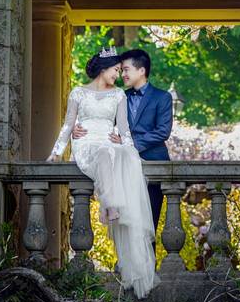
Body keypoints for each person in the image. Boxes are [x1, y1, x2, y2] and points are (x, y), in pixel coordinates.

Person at [46, 48, 159, 299]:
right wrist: (56, 153)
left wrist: (129, 148)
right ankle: (109, 205)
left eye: (121, 71)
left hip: (108, 144)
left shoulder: (119, 95)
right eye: (116, 70)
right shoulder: (78, 92)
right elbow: (67, 125)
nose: (118, 76)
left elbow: (124, 128)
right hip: (85, 146)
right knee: (103, 154)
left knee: (116, 153)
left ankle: (109, 205)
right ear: (103, 68)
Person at [73, 48, 173, 238]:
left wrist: (130, 143)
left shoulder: (163, 97)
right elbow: (101, 123)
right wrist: (79, 129)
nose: (122, 74)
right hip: (122, 169)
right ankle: (124, 266)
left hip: (153, 165)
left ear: (141, 70)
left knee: (148, 226)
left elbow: (162, 132)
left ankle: (147, 268)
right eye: (121, 70)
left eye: (126, 69)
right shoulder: (119, 96)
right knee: (126, 227)